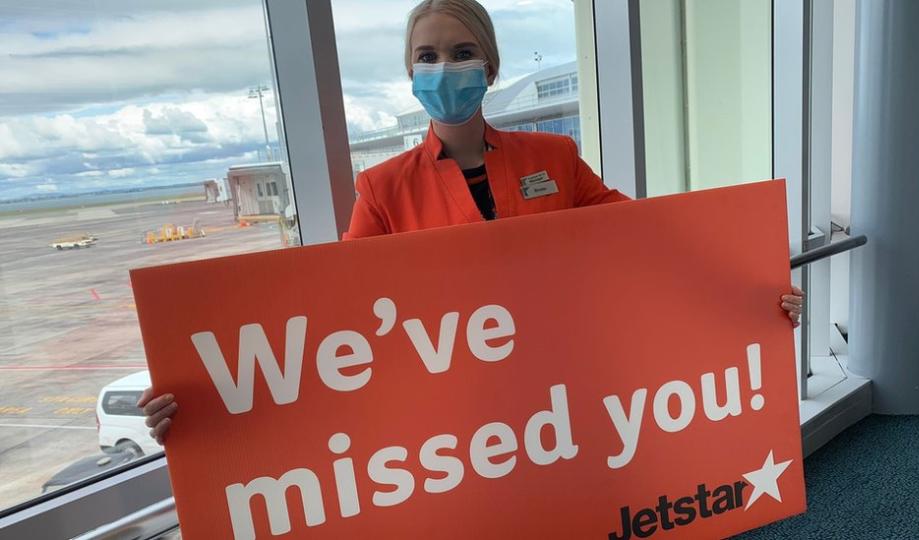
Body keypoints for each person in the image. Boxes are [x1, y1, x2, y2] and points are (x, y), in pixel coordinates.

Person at [138, 0, 804, 444]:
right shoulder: (381, 189)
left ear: (490, 66)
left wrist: (747, 285)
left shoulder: (555, 157)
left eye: (460, 51)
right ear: (408, 74)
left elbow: (653, 241)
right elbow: (323, 321)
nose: (444, 68)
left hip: (566, 387)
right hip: (457, 420)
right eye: (427, 56)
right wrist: (208, 387)